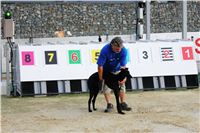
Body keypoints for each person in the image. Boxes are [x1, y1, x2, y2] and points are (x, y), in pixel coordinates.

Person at [97, 37, 132, 112]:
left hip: (118, 69)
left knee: (122, 85)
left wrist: (124, 77)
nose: (119, 50)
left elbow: (123, 66)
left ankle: (122, 103)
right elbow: (100, 66)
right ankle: (109, 104)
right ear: (111, 45)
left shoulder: (124, 51)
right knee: (106, 87)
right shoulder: (105, 50)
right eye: (116, 49)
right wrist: (101, 79)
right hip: (107, 70)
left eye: (120, 48)